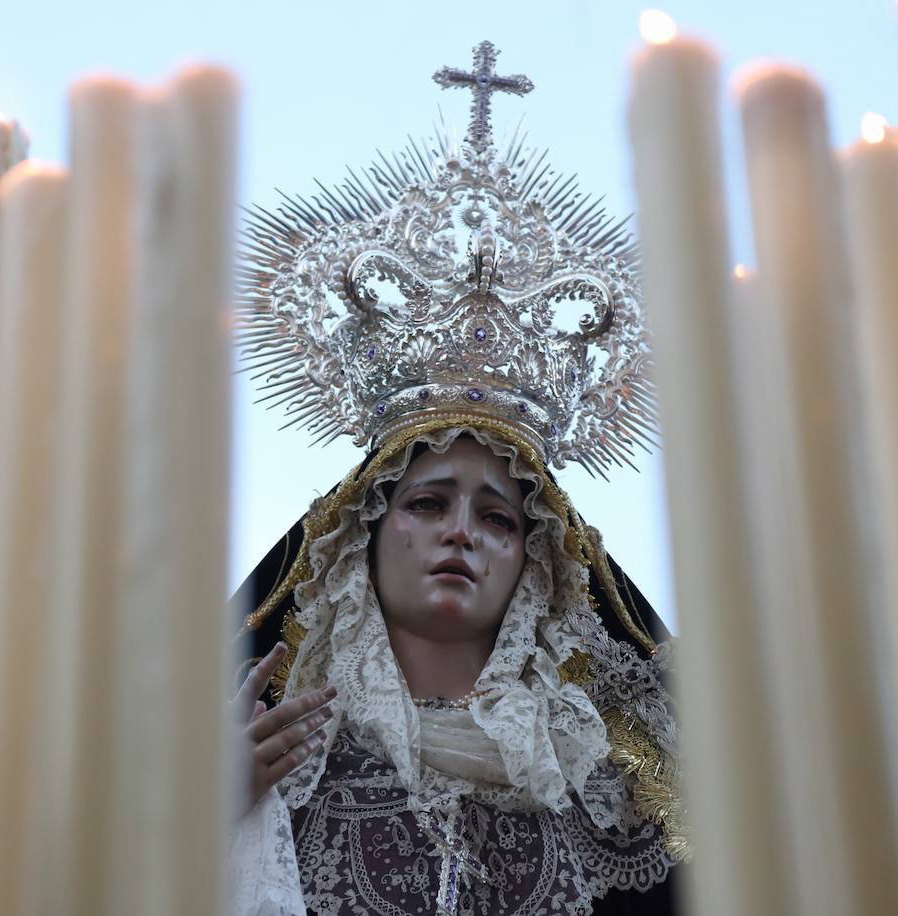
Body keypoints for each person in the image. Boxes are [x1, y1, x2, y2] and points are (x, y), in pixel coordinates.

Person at [229, 42, 686, 915]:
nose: (461, 534)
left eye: (500, 519)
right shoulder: (269, 755)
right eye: (428, 502)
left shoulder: (615, 790)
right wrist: (200, 818)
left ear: (540, 563)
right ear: (359, 534)